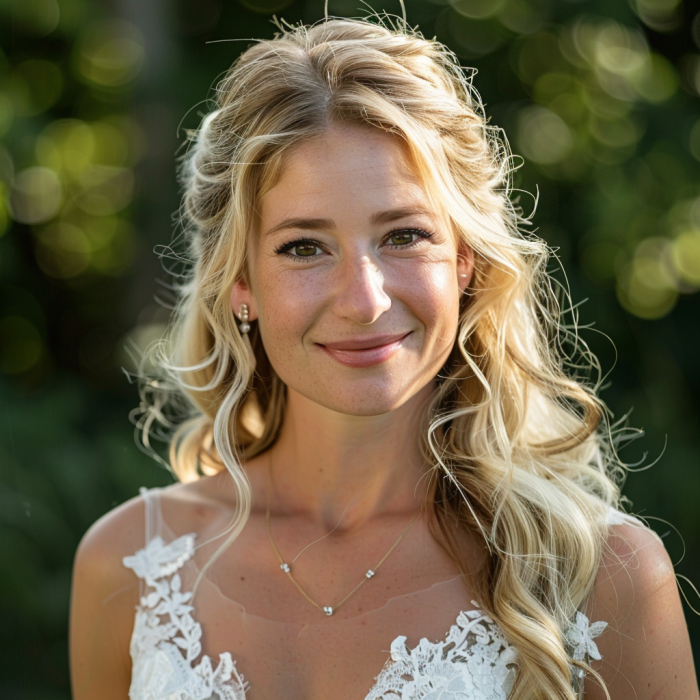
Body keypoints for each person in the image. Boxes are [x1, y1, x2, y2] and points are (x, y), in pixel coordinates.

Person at [69, 15, 698, 700]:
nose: (364, 301)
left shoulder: (605, 575)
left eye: (403, 234)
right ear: (240, 284)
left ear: (464, 260)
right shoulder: (128, 566)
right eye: (304, 247)